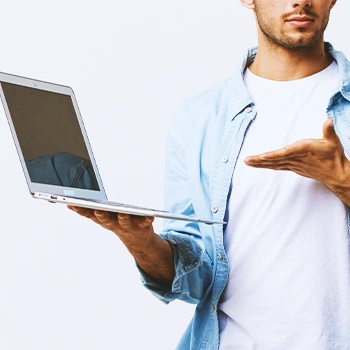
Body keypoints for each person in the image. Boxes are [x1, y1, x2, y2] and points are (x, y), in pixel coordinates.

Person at [69, 0, 350, 348]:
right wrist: (140, 241)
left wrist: (344, 180)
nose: (301, 2)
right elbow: (196, 277)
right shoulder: (199, 118)